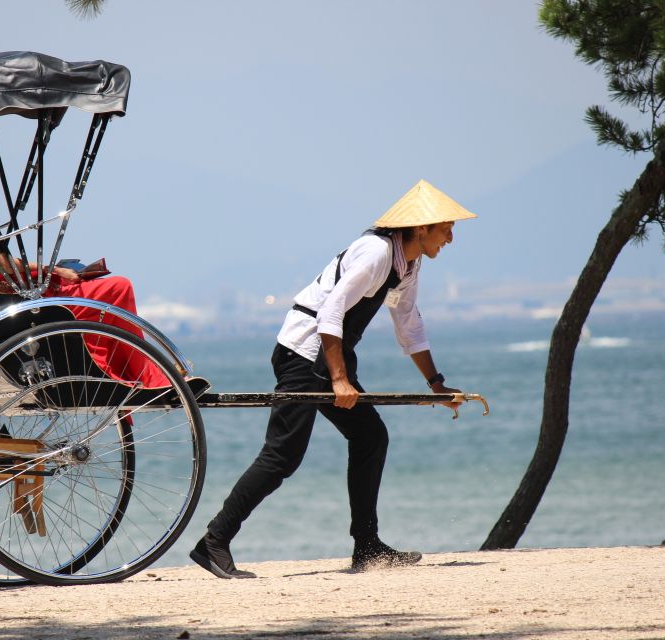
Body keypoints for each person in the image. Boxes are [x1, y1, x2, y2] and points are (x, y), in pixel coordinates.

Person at [189, 179, 476, 578]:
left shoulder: (407, 262)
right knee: (281, 457)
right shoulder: (376, 253)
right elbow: (330, 313)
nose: (451, 238)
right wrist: (339, 379)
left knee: (370, 436)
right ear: (422, 227)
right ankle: (213, 542)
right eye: (447, 228)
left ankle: (367, 545)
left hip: (332, 357)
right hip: (304, 354)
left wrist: (437, 384)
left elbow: (408, 322)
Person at [0, 122, 169, 388]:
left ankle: (127, 375)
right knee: (118, 287)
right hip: (8, 306)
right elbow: (4, 266)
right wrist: (55, 271)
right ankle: (145, 379)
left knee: (97, 285)